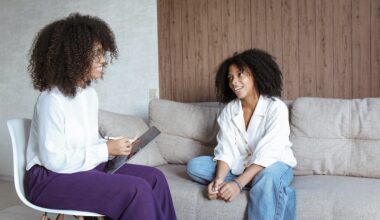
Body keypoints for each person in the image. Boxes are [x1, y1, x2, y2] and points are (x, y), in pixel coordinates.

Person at [26, 13, 177, 220]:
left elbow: (84, 142)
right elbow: (54, 161)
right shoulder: (51, 100)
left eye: (103, 53)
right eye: (96, 53)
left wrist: (112, 146)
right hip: (48, 179)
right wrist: (105, 150)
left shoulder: (89, 95)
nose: (103, 60)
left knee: (155, 178)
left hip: (79, 168)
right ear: (73, 55)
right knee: (136, 189)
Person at [186, 49, 297, 220]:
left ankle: (262, 184)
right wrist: (219, 181)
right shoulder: (230, 110)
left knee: (267, 177)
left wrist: (237, 184)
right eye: (230, 78)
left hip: (274, 165)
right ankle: (264, 186)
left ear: (255, 75)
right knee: (196, 166)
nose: (234, 82)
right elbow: (226, 149)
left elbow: (268, 154)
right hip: (241, 166)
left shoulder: (276, 108)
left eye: (240, 75)